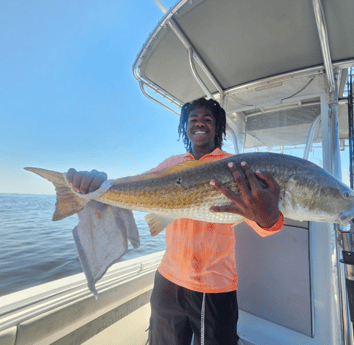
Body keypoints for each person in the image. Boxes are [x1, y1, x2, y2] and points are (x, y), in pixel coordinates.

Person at [66, 97, 284, 345]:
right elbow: (136, 185)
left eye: (207, 120)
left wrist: (270, 220)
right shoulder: (171, 164)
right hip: (168, 278)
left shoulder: (236, 165)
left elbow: (264, 223)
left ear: (217, 127)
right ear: (185, 127)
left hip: (214, 283)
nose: (199, 124)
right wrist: (98, 187)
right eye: (193, 120)